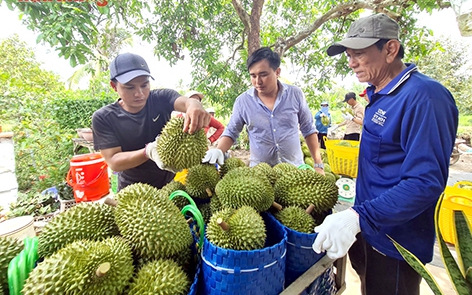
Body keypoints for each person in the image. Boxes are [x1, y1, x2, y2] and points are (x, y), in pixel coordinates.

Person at [312, 13, 458, 295]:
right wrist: (358, 219)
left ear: (390, 49)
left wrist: (358, 217)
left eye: (359, 54)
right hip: (367, 231)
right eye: (349, 55)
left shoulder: (426, 98)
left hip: (395, 243)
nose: (351, 63)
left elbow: (424, 182)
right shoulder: (378, 93)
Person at [92, 53, 210, 191]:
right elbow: (114, 161)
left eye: (144, 85)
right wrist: (148, 152)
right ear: (114, 86)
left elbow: (185, 102)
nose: (139, 93)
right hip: (134, 192)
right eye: (130, 87)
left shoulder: (161, 98)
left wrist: (194, 104)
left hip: (171, 186)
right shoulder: (104, 117)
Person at [202, 47, 324, 174]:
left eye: (263, 75)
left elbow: (308, 129)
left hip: (294, 171)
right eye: (253, 76)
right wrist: (219, 150)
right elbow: (232, 132)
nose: (257, 81)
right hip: (260, 175)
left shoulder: (295, 94)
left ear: (277, 72)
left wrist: (318, 164)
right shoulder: (243, 101)